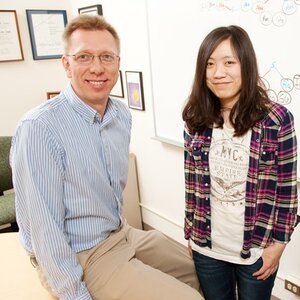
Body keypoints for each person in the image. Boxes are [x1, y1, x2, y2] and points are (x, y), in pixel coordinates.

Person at [10, 15, 201, 300]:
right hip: (81, 252)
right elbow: (44, 230)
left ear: (118, 63)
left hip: (119, 232)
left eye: (106, 57)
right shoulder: (39, 128)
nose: (97, 68)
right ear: (67, 64)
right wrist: (75, 294)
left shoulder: (120, 115)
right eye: (84, 56)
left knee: (203, 273)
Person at [182, 25, 299, 300]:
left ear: (245, 65)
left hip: (257, 248)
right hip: (206, 247)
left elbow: (287, 189)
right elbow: (191, 183)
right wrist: (191, 231)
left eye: (228, 62)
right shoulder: (195, 117)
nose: (218, 73)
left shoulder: (277, 119)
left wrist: (279, 244)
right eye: (209, 64)